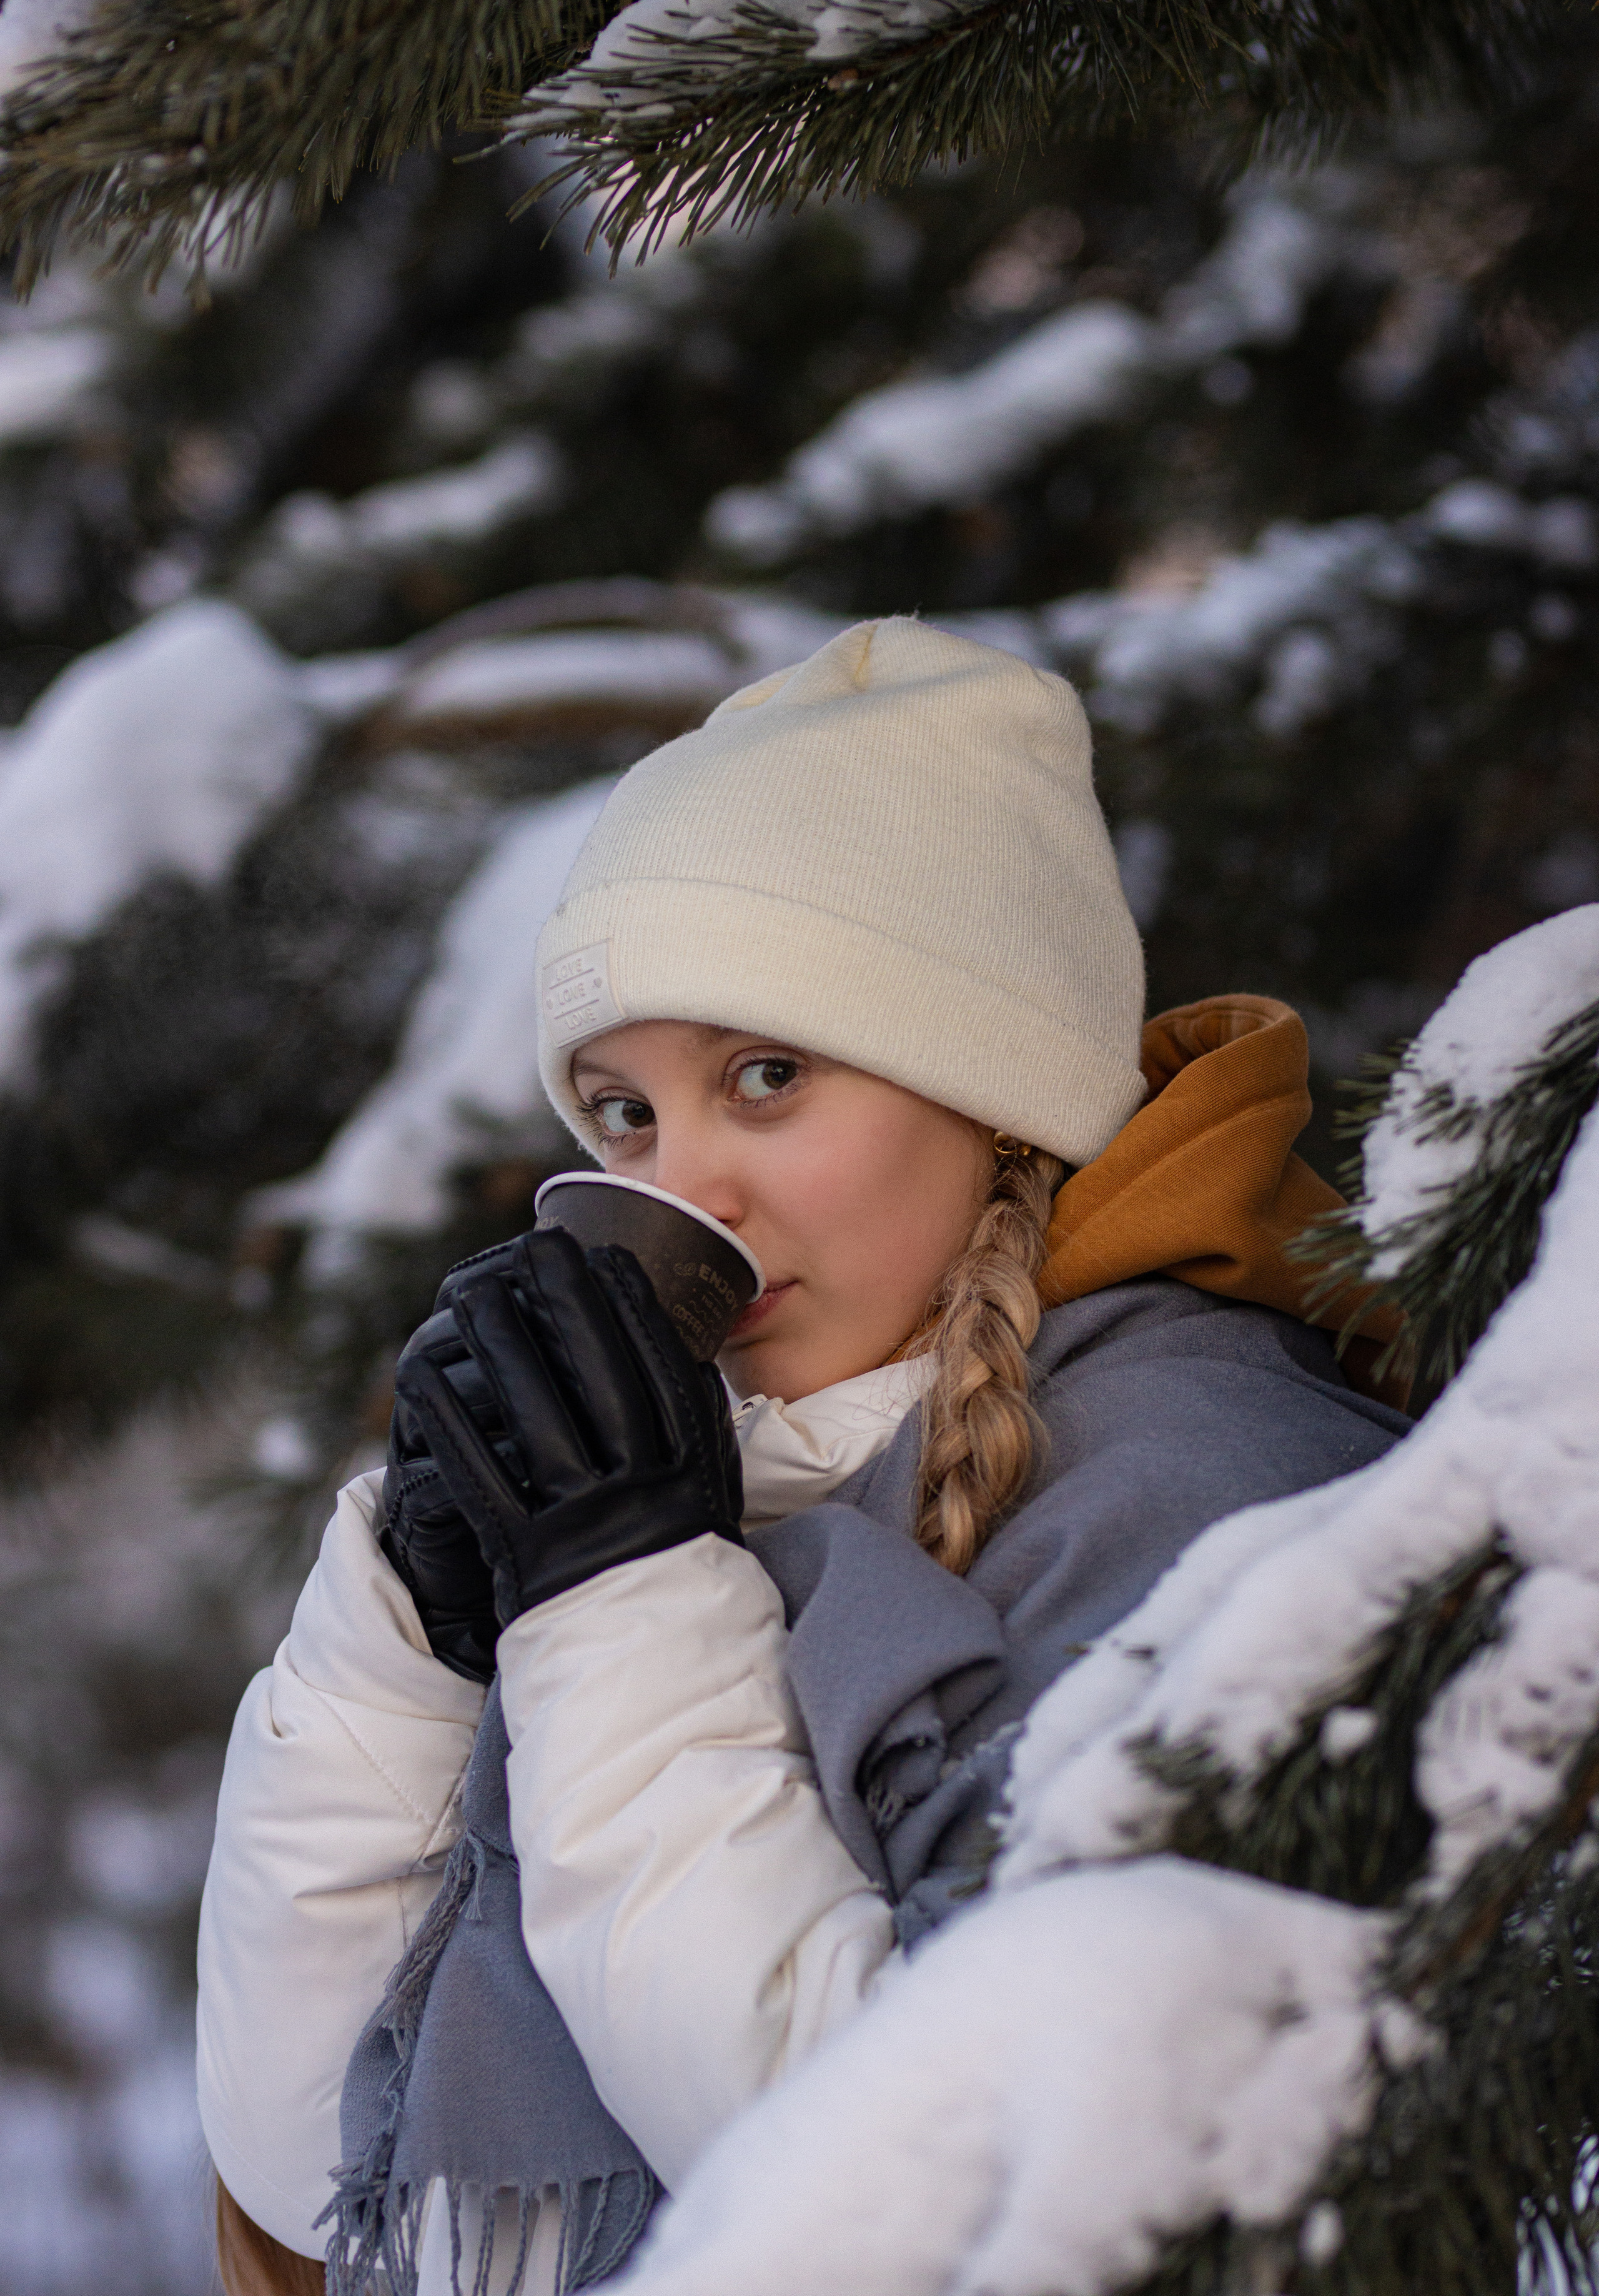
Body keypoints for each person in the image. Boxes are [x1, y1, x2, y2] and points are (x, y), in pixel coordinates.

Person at [196, 618, 1408, 2296]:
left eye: (764, 1077)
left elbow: (951, 2206)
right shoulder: (715, 1484)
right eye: (623, 1115)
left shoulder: (1216, 1492)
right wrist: (407, 1648)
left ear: (996, 1094)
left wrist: (627, 1612)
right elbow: (324, 2178)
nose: (680, 1193)